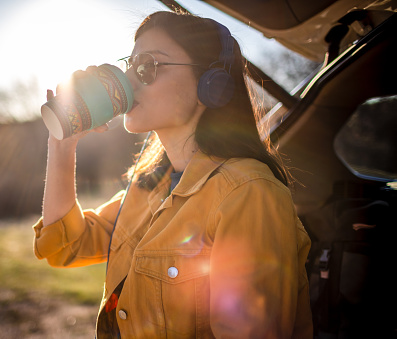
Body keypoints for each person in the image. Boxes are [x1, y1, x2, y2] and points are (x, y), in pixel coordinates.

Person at [32, 10, 313, 338]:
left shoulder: (248, 192)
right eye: (129, 67)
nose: (129, 81)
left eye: (147, 67)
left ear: (212, 85)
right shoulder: (149, 188)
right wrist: (62, 144)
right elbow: (66, 247)